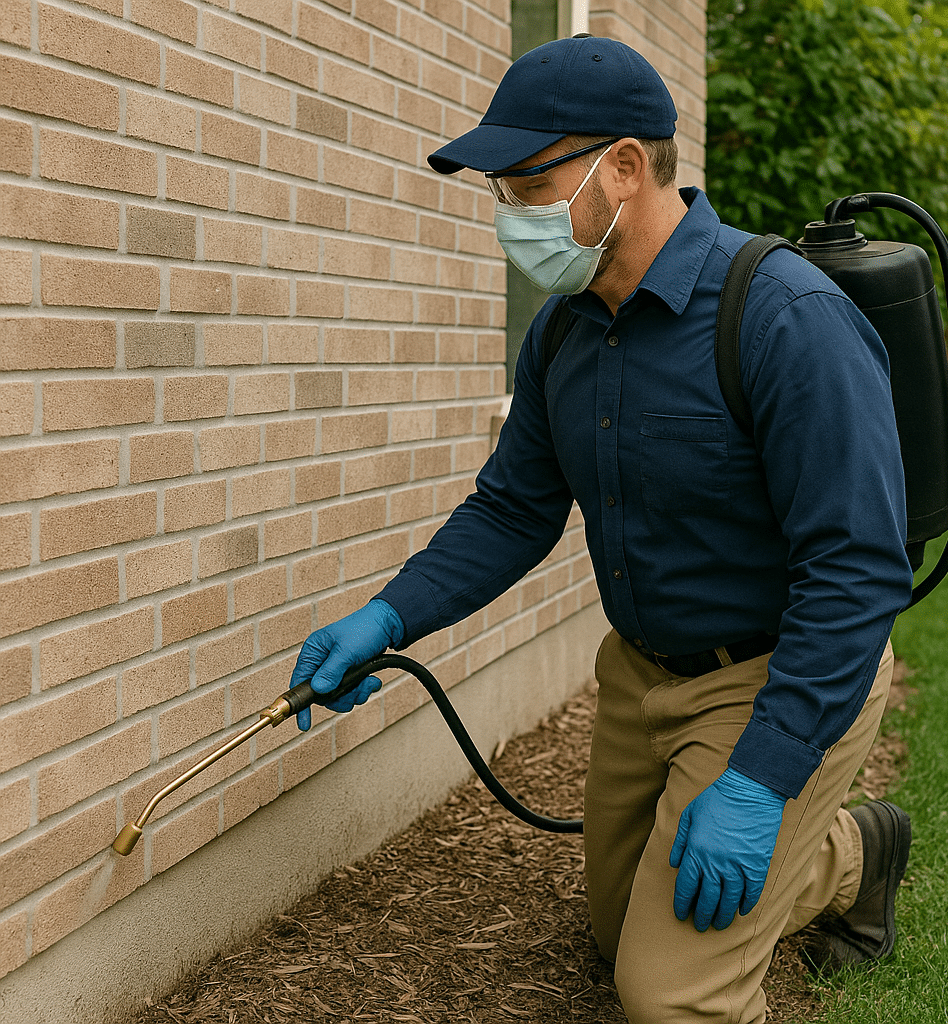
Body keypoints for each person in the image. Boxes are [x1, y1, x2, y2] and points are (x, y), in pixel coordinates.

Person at [290, 35, 914, 1024]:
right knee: (616, 927)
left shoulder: (784, 318)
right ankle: (851, 854)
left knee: (668, 996)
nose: (511, 216)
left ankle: (815, 835)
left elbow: (858, 572)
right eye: (499, 191)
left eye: (528, 182)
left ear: (624, 167)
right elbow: (512, 506)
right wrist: (388, 615)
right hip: (641, 677)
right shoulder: (566, 330)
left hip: (778, 674)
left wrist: (759, 780)